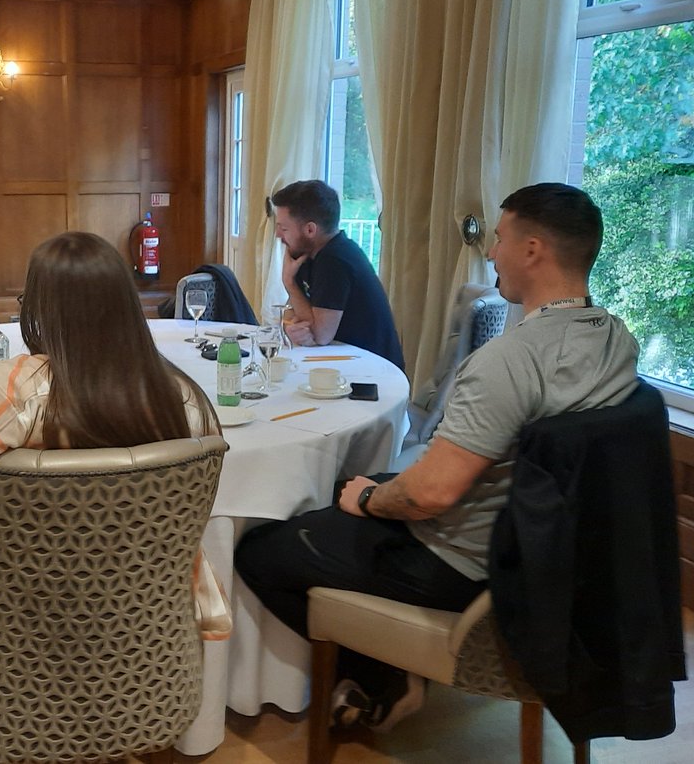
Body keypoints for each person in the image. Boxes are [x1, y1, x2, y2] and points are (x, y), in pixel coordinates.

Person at [234, 183, 640, 732]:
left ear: (533, 250)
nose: (492, 253)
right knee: (350, 485)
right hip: (545, 555)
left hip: (462, 563)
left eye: (499, 240)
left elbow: (431, 494)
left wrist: (373, 499)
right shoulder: (616, 340)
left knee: (259, 550)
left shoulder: (510, 363)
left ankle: (382, 677)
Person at [0, 231, 233, 661]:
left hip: (19, 644)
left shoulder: (11, 390)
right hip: (150, 644)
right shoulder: (184, 397)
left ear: (39, 308)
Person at [272, 180, 404, 370]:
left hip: (373, 372)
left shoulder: (335, 260)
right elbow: (292, 314)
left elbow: (320, 335)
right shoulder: (309, 255)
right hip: (345, 360)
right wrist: (294, 325)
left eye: (283, 228)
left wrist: (289, 282)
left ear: (310, 230)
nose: (278, 235)